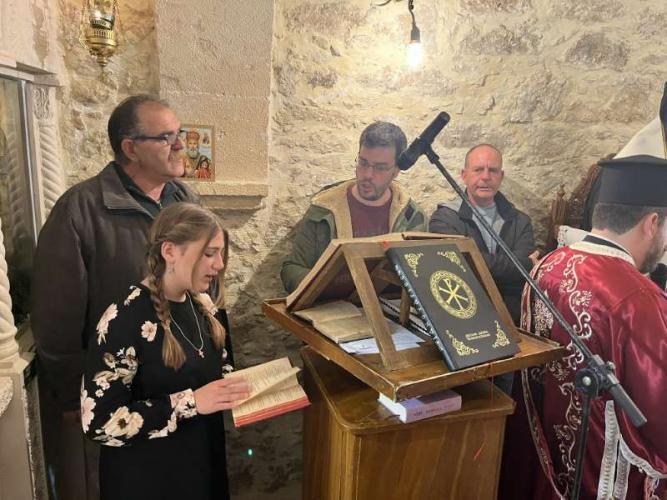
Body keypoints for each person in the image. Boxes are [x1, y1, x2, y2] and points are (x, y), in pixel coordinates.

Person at [31, 95, 199, 499]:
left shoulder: (185, 200)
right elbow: (56, 317)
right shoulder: (79, 210)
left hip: (181, 386)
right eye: (166, 138)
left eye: (179, 134)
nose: (181, 145)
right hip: (121, 397)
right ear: (131, 148)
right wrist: (74, 397)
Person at [512, 155, 667, 500]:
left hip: (542, 467)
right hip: (600, 481)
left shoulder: (547, 266)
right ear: (652, 223)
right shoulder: (640, 299)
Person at [81, 203, 249, 500]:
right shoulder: (123, 319)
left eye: (221, 253)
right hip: (148, 481)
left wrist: (247, 389)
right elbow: (99, 423)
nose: (220, 264)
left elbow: (220, 370)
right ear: (170, 251)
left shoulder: (206, 307)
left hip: (202, 468)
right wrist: (191, 402)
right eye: (209, 253)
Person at [280, 121, 426, 292]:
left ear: (396, 171)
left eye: (380, 168)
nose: (367, 175)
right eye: (363, 163)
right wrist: (323, 286)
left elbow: (421, 276)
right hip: (334, 303)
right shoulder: (325, 209)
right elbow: (292, 269)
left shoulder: (412, 217)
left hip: (388, 305)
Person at [429, 144, 539, 325]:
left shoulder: (520, 221)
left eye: (493, 170)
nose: (486, 177)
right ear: (464, 175)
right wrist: (526, 264)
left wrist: (481, 261)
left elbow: (523, 275)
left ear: (501, 176)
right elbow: (459, 266)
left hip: (512, 319)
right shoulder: (444, 219)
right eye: (478, 170)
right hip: (463, 314)